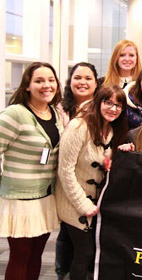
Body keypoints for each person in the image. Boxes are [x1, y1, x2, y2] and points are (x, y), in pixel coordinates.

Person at [56, 84, 128, 280]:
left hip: (94, 204)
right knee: (85, 252)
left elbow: (102, 160)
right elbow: (65, 171)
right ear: (98, 102)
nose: (113, 109)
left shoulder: (111, 129)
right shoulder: (78, 126)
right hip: (73, 202)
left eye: (118, 105)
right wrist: (83, 204)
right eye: (108, 102)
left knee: (91, 254)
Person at [0, 62, 63, 280]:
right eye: (39, 81)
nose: (46, 85)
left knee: (37, 254)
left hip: (45, 197)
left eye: (51, 80)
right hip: (20, 199)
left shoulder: (54, 113)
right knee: (20, 256)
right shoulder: (15, 114)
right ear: (27, 85)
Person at [55, 61, 98, 279]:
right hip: (68, 191)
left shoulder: (100, 110)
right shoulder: (60, 108)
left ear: (96, 83)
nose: (82, 82)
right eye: (77, 77)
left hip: (87, 190)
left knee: (82, 251)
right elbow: (65, 167)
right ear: (69, 81)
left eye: (88, 78)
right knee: (73, 248)